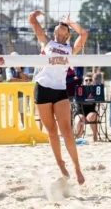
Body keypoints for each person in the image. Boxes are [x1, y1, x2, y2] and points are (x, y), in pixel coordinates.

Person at [29, 10, 88, 185]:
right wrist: (33, 16)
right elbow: (32, 22)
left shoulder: (70, 49)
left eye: (64, 27)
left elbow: (83, 34)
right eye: (59, 24)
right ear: (55, 31)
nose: (60, 25)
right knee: (52, 132)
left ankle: (77, 167)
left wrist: (70, 22)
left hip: (60, 90)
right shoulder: (46, 42)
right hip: (43, 88)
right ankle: (60, 164)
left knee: (67, 132)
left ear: (68, 34)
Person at [5, 51, 29, 126]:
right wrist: (23, 81)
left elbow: (26, 79)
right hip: (12, 95)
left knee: (23, 114)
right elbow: (10, 80)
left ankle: (25, 130)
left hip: (23, 94)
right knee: (13, 115)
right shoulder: (8, 68)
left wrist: (19, 71)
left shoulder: (24, 67)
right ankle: (13, 132)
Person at [73, 73, 98, 141]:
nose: (88, 82)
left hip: (91, 111)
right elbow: (77, 100)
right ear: (83, 82)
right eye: (86, 80)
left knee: (92, 116)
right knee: (79, 119)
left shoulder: (95, 90)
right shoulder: (79, 89)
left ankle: (95, 136)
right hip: (80, 111)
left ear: (92, 81)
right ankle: (79, 138)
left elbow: (99, 100)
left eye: (90, 80)